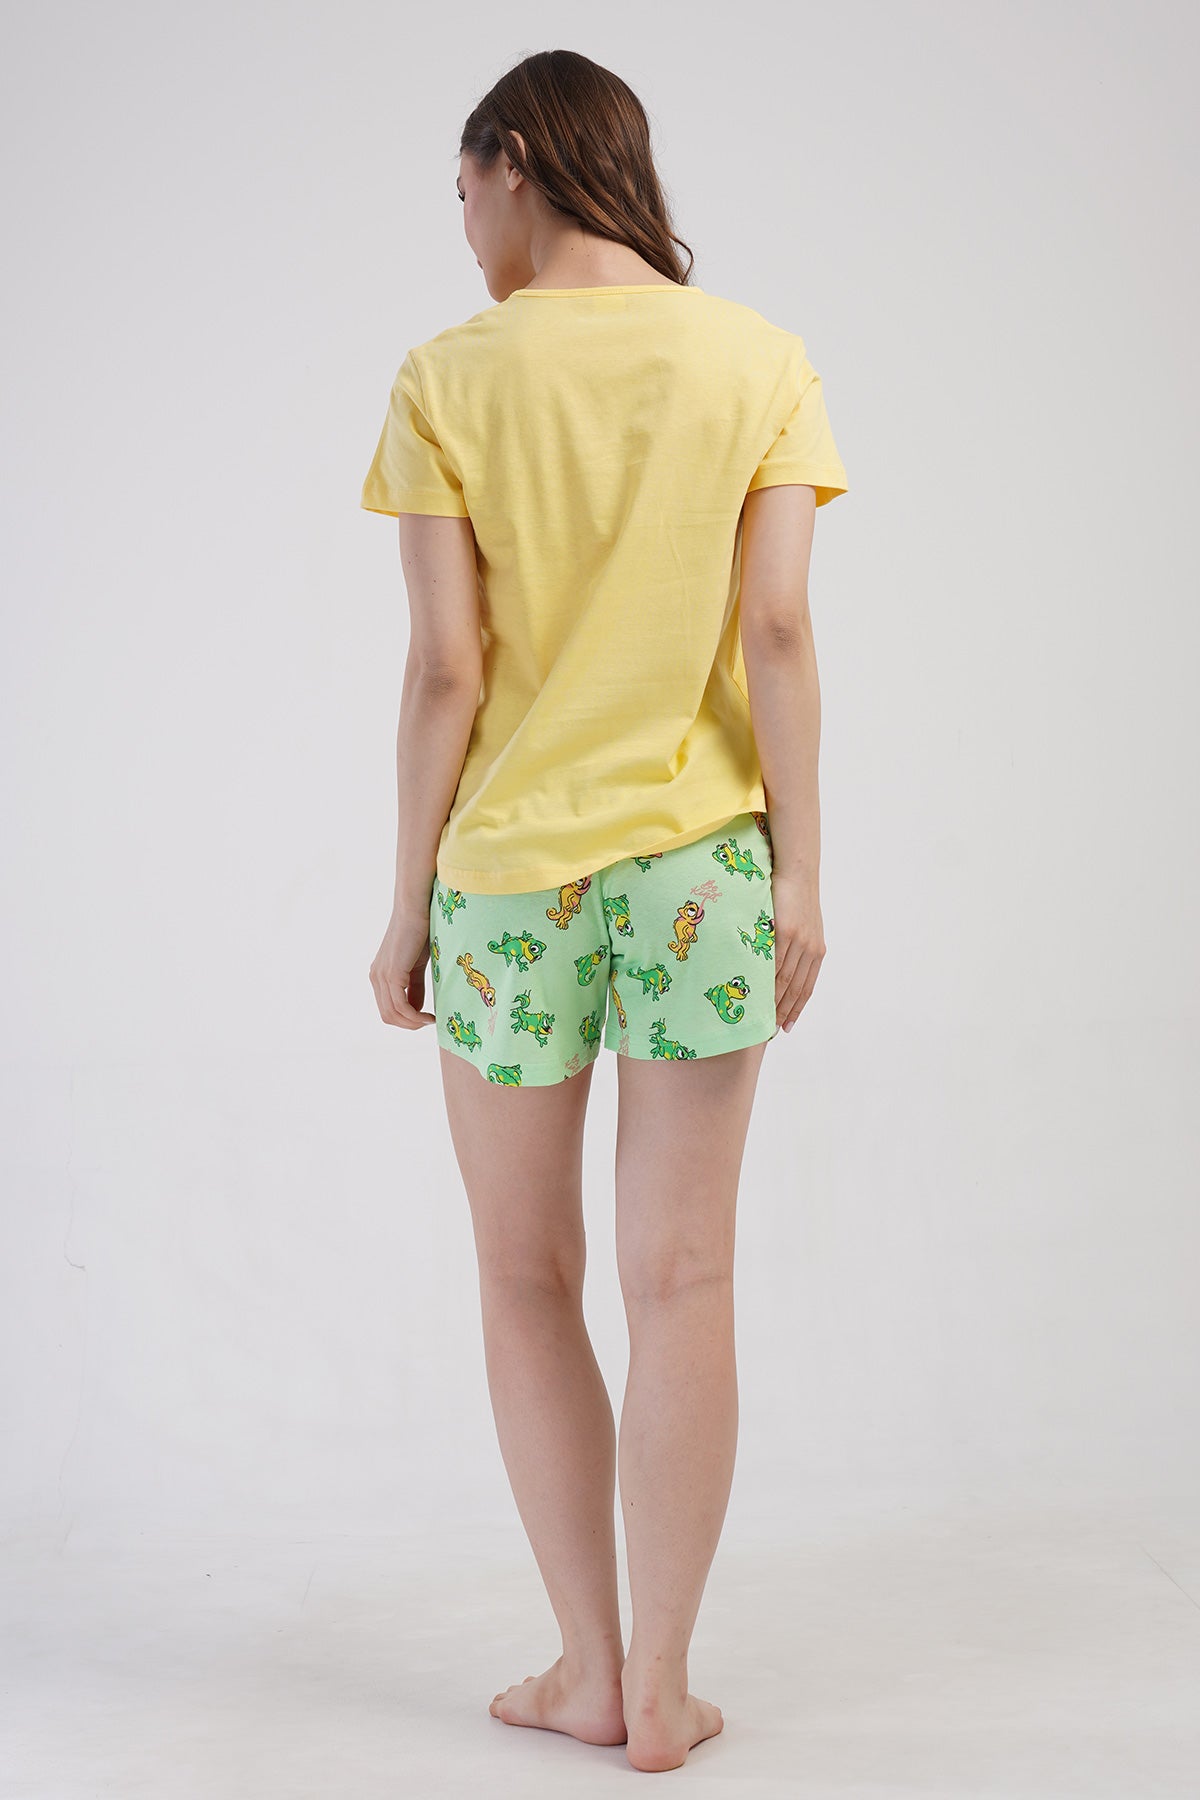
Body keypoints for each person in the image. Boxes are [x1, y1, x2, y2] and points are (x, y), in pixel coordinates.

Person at [362, 47, 848, 1776]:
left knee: (526, 1274)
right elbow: (776, 630)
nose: (464, 225)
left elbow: (447, 667)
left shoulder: (448, 376)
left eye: (463, 189)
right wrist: (801, 869)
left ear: (516, 159)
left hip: (505, 884)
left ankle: (585, 1666)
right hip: (706, 866)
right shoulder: (759, 360)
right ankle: (664, 1685)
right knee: (685, 1274)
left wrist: (404, 901)